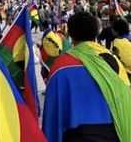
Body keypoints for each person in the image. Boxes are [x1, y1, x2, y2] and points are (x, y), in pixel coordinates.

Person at [43, 11, 131, 142]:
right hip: (112, 133)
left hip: (76, 135)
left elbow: (52, 115)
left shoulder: (60, 66)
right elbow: (126, 94)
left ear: (71, 34)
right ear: (96, 32)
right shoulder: (112, 60)